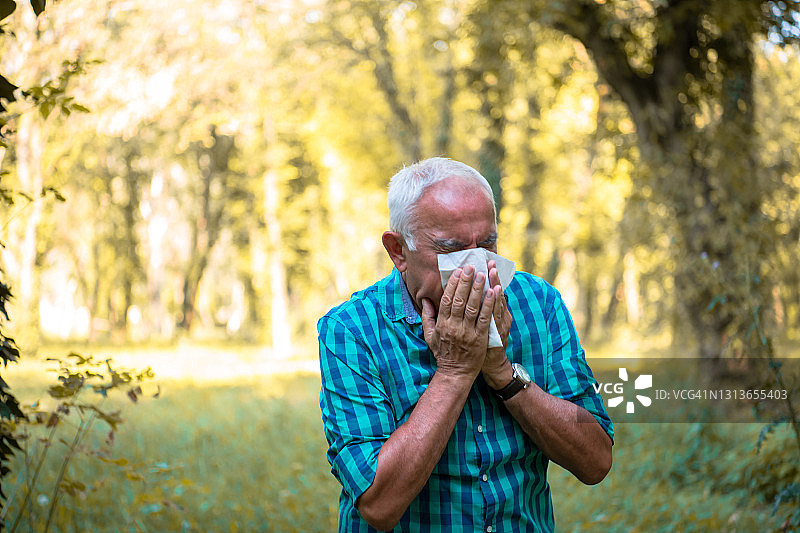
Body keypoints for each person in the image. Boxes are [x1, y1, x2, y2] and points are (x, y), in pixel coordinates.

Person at [318, 157, 614, 532]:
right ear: (398, 252)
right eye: (452, 249)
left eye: (487, 243)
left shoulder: (539, 304)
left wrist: (502, 372)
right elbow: (378, 504)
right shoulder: (351, 329)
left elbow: (595, 461)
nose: (477, 265)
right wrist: (455, 371)